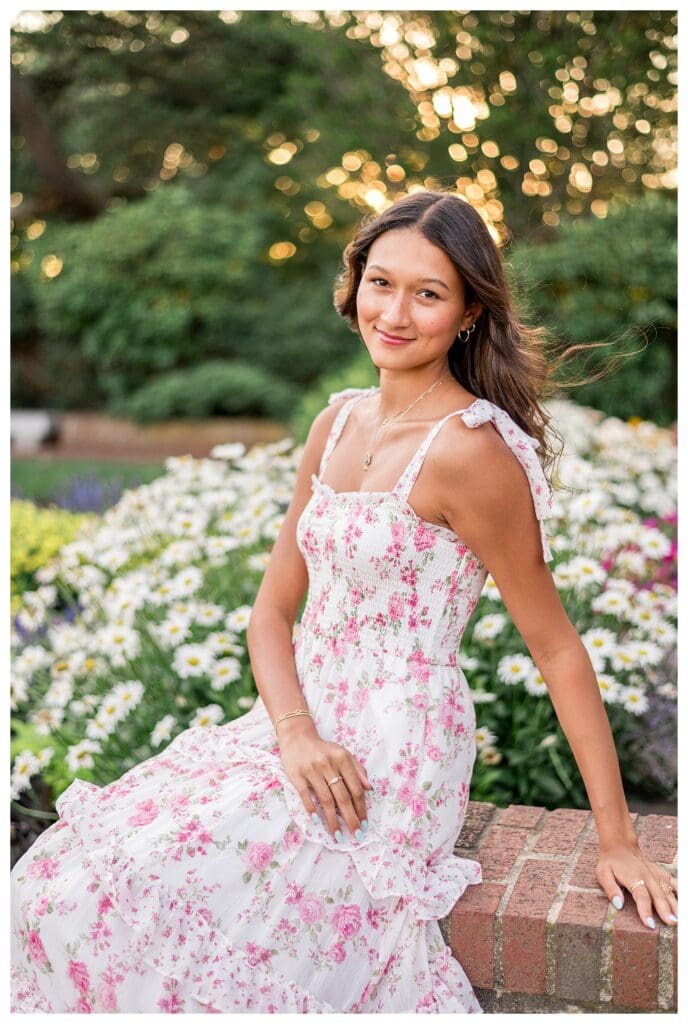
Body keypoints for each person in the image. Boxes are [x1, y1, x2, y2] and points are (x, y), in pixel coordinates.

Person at [10, 189, 677, 1013]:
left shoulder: (471, 454)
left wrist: (617, 838)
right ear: (355, 283)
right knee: (65, 882)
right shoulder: (336, 425)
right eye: (381, 282)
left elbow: (556, 647)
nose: (395, 313)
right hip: (298, 723)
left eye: (428, 294)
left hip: (394, 748)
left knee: (180, 897)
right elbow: (270, 613)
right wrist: (294, 735)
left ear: (469, 313)